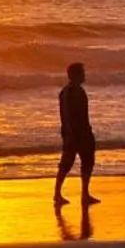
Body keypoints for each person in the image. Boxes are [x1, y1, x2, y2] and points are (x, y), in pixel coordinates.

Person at [53, 61, 99, 206]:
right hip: (75, 133)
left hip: (79, 131)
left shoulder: (72, 91)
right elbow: (67, 114)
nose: (84, 75)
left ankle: (84, 194)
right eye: (82, 72)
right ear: (77, 75)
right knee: (67, 163)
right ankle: (58, 194)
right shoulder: (71, 92)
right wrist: (71, 133)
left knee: (86, 162)